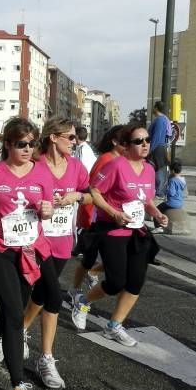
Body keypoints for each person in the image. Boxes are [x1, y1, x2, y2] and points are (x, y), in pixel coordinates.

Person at [0, 117, 54, 390]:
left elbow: (47, 205)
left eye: (32, 143)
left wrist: (47, 209)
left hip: (29, 250)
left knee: (17, 307)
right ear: (8, 144)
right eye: (21, 143)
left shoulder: (42, 173)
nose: (27, 148)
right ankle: (18, 388)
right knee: (13, 313)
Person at [71, 125, 168, 345]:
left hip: (137, 230)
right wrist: (113, 212)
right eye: (138, 141)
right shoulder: (116, 166)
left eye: (147, 140)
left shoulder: (150, 169)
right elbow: (95, 192)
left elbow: (147, 200)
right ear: (125, 145)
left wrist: (157, 214)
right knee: (116, 282)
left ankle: (114, 325)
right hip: (113, 230)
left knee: (135, 283)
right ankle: (83, 302)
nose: (144, 144)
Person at [22, 117, 90, 389]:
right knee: (46, 295)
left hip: (62, 243)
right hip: (35, 241)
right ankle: (41, 354)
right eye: (70, 137)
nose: (75, 142)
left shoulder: (75, 167)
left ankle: (26, 336)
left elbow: (90, 195)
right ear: (53, 137)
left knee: (44, 294)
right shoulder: (35, 165)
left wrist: (75, 197)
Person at [71, 125, 125, 296]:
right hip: (96, 217)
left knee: (125, 255)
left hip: (114, 218)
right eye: (126, 141)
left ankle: (91, 275)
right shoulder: (106, 160)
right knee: (89, 258)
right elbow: (93, 190)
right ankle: (76, 290)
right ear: (115, 141)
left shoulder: (121, 161)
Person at [151, 159, 186, 233]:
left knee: (157, 210)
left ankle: (159, 227)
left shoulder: (173, 180)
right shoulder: (183, 180)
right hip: (180, 202)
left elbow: (171, 193)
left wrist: (166, 188)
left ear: (172, 171)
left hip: (172, 203)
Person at [148, 101, 171, 198]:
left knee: (158, 170)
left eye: (154, 107)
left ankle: (159, 192)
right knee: (159, 169)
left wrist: (149, 150)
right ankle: (159, 191)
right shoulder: (164, 119)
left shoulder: (159, 120)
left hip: (157, 148)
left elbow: (156, 137)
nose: (153, 109)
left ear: (156, 108)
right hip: (161, 148)